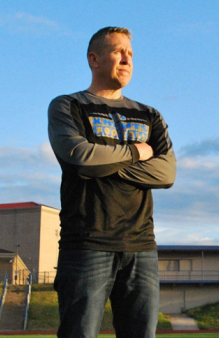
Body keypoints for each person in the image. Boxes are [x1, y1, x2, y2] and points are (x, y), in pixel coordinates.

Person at [47, 26, 176, 338]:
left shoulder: (149, 115)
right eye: (118, 51)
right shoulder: (68, 106)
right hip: (87, 243)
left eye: (130, 53)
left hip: (141, 246)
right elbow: (78, 156)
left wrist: (102, 165)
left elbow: (167, 172)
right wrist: (135, 152)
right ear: (94, 59)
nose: (126, 58)